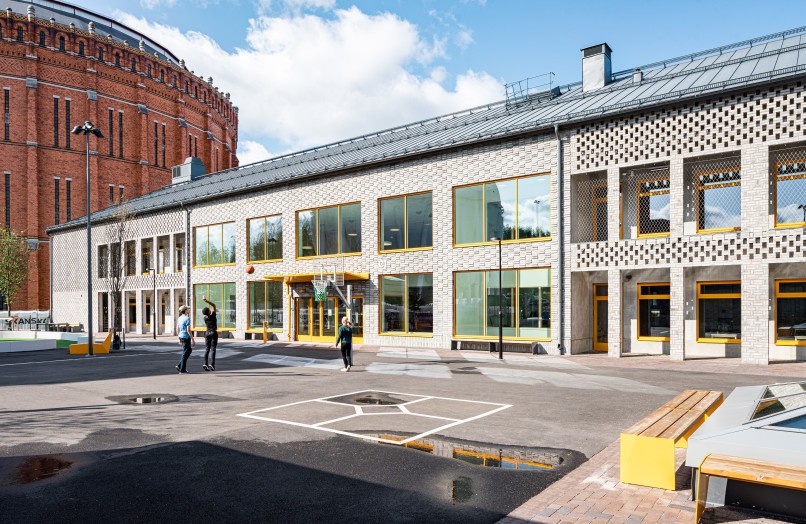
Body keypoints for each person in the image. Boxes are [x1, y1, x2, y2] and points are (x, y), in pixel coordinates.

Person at [175, 305, 195, 374]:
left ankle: (180, 365)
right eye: (187, 309)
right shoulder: (187, 318)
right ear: (185, 310)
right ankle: (182, 369)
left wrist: (179, 337)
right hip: (186, 337)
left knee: (188, 351)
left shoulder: (179, 318)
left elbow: (177, 328)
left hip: (181, 336)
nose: (188, 310)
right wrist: (193, 339)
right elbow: (188, 330)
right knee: (185, 352)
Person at [201, 295, 218, 372]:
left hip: (207, 333)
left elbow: (212, 309)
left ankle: (205, 363)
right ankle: (212, 364)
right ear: (209, 311)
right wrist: (206, 300)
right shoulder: (213, 316)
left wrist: (213, 310)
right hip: (213, 332)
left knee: (207, 349)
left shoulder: (205, 318)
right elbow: (214, 305)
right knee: (213, 349)